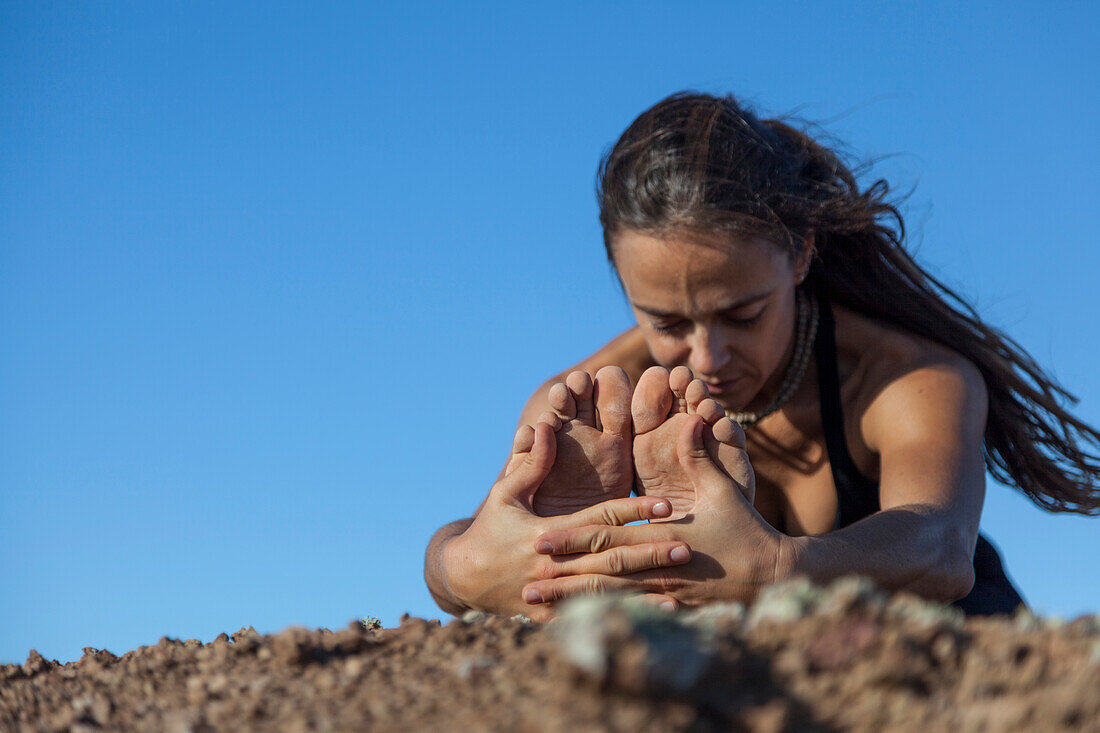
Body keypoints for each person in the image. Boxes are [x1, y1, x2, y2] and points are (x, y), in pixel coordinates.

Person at [424, 92, 1100, 620]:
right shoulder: (594, 400)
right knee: (540, 544)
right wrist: (464, 565)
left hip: (943, 640)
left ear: (801, 252)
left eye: (742, 313)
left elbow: (941, 547)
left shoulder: (903, 377)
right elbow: (454, 546)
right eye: (666, 320)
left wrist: (776, 564)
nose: (708, 355)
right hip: (743, 675)